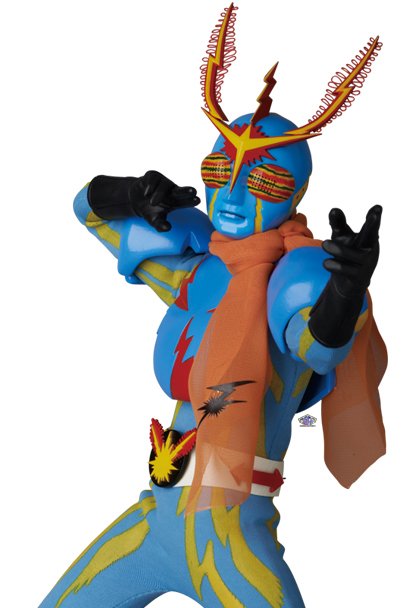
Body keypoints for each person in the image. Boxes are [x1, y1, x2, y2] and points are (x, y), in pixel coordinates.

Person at [39, 5, 386, 608]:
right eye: (221, 170)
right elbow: (89, 212)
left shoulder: (295, 277)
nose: (232, 194)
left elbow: (318, 344)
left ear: (296, 191)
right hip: (155, 512)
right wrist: (131, 192)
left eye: (264, 182)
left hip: (229, 529)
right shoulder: (201, 265)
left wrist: (345, 290)